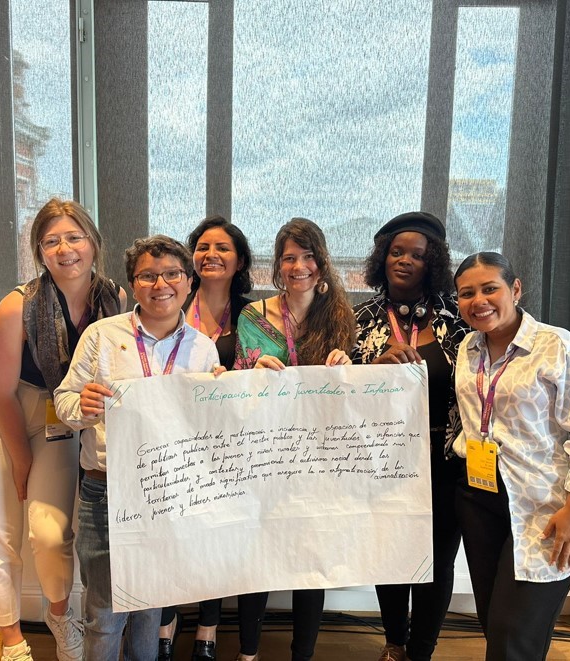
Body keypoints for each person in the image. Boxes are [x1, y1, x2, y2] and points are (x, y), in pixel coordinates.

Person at [0, 198, 126, 661]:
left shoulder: (114, 299)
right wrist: (21, 461)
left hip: (57, 412)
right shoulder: (18, 306)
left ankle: (58, 614)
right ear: (40, 252)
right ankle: (11, 640)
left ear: (93, 243)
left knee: (51, 534)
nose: (64, 249)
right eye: (51, 241)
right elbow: (4, 391)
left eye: (74, 237)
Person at [54, 235, 222, 661]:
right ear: (132, 285)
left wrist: (220, 399)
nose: (160, 284)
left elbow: (206, 429)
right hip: (105, 490)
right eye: (147, 275)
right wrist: (84, 406)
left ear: (188, 283)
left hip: (167, 495)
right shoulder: (101, 336)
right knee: (104, 612)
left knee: (149, 607)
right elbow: (64, 401)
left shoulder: (203, 349)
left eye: (171, 274)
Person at [451, 251, 570, 661]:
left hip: (547, 504)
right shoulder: (469, 347)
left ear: (515, 289)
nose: (478, 300)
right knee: (496, 624)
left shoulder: (558, 348)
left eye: (490, 289)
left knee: (511, 634)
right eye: (467, 294)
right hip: (481, 497)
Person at [232, 217, 356, 661]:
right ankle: (248, 653)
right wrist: (254, 369)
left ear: (321, 263)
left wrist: (345, 365)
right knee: (257, 557)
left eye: (307, 256)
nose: (298, 266)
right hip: (264, 453)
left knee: (311, 561)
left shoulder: (341, 316)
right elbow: (238, 387)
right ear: (278, 266)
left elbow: (347, 398)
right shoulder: (253, 315)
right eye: (289, 258)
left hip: (319, 459)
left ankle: (302, 654)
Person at [350, 212, 469, 661]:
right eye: (396, 252)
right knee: (391, 554)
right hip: (380, 460)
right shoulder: (357, 317)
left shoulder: (459, 319)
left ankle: (422, 650)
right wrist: (373, 368)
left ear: (432, 263)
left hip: (444, 459)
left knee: (437, 563)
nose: (404, 261)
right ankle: (394, 642)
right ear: (382, 259)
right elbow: (335, 388)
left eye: (417, 255)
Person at [158, 216, 254, 661]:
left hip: (229, 446)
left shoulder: (255, 315)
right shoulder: (172, 304)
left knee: (215, 537)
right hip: (173, 441)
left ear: (239, 261)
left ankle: (208, 631)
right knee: (174, 536)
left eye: (223, 248)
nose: (211, 254)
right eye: (202, 246)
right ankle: (165, 624)